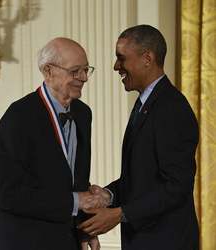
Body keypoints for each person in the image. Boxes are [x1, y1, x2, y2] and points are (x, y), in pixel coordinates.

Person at [79, 24, 199, 250]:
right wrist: (108, 195)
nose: (116, 66)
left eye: (121, 58)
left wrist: (119, 214)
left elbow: (176, 185)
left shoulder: (171, 108)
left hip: (166, 242)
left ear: (147, 58)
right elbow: (143, 179)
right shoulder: (147, 104)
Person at [0, 38, 101, 250]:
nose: (83, 78)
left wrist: (83, 230)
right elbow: (9, 194)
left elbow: (76, 182)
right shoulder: (18, 117)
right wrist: (75, 202)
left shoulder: (83, 114)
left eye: (85, 70)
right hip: (20, 239)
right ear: (48, 71)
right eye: (75, 71)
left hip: (63, 237)